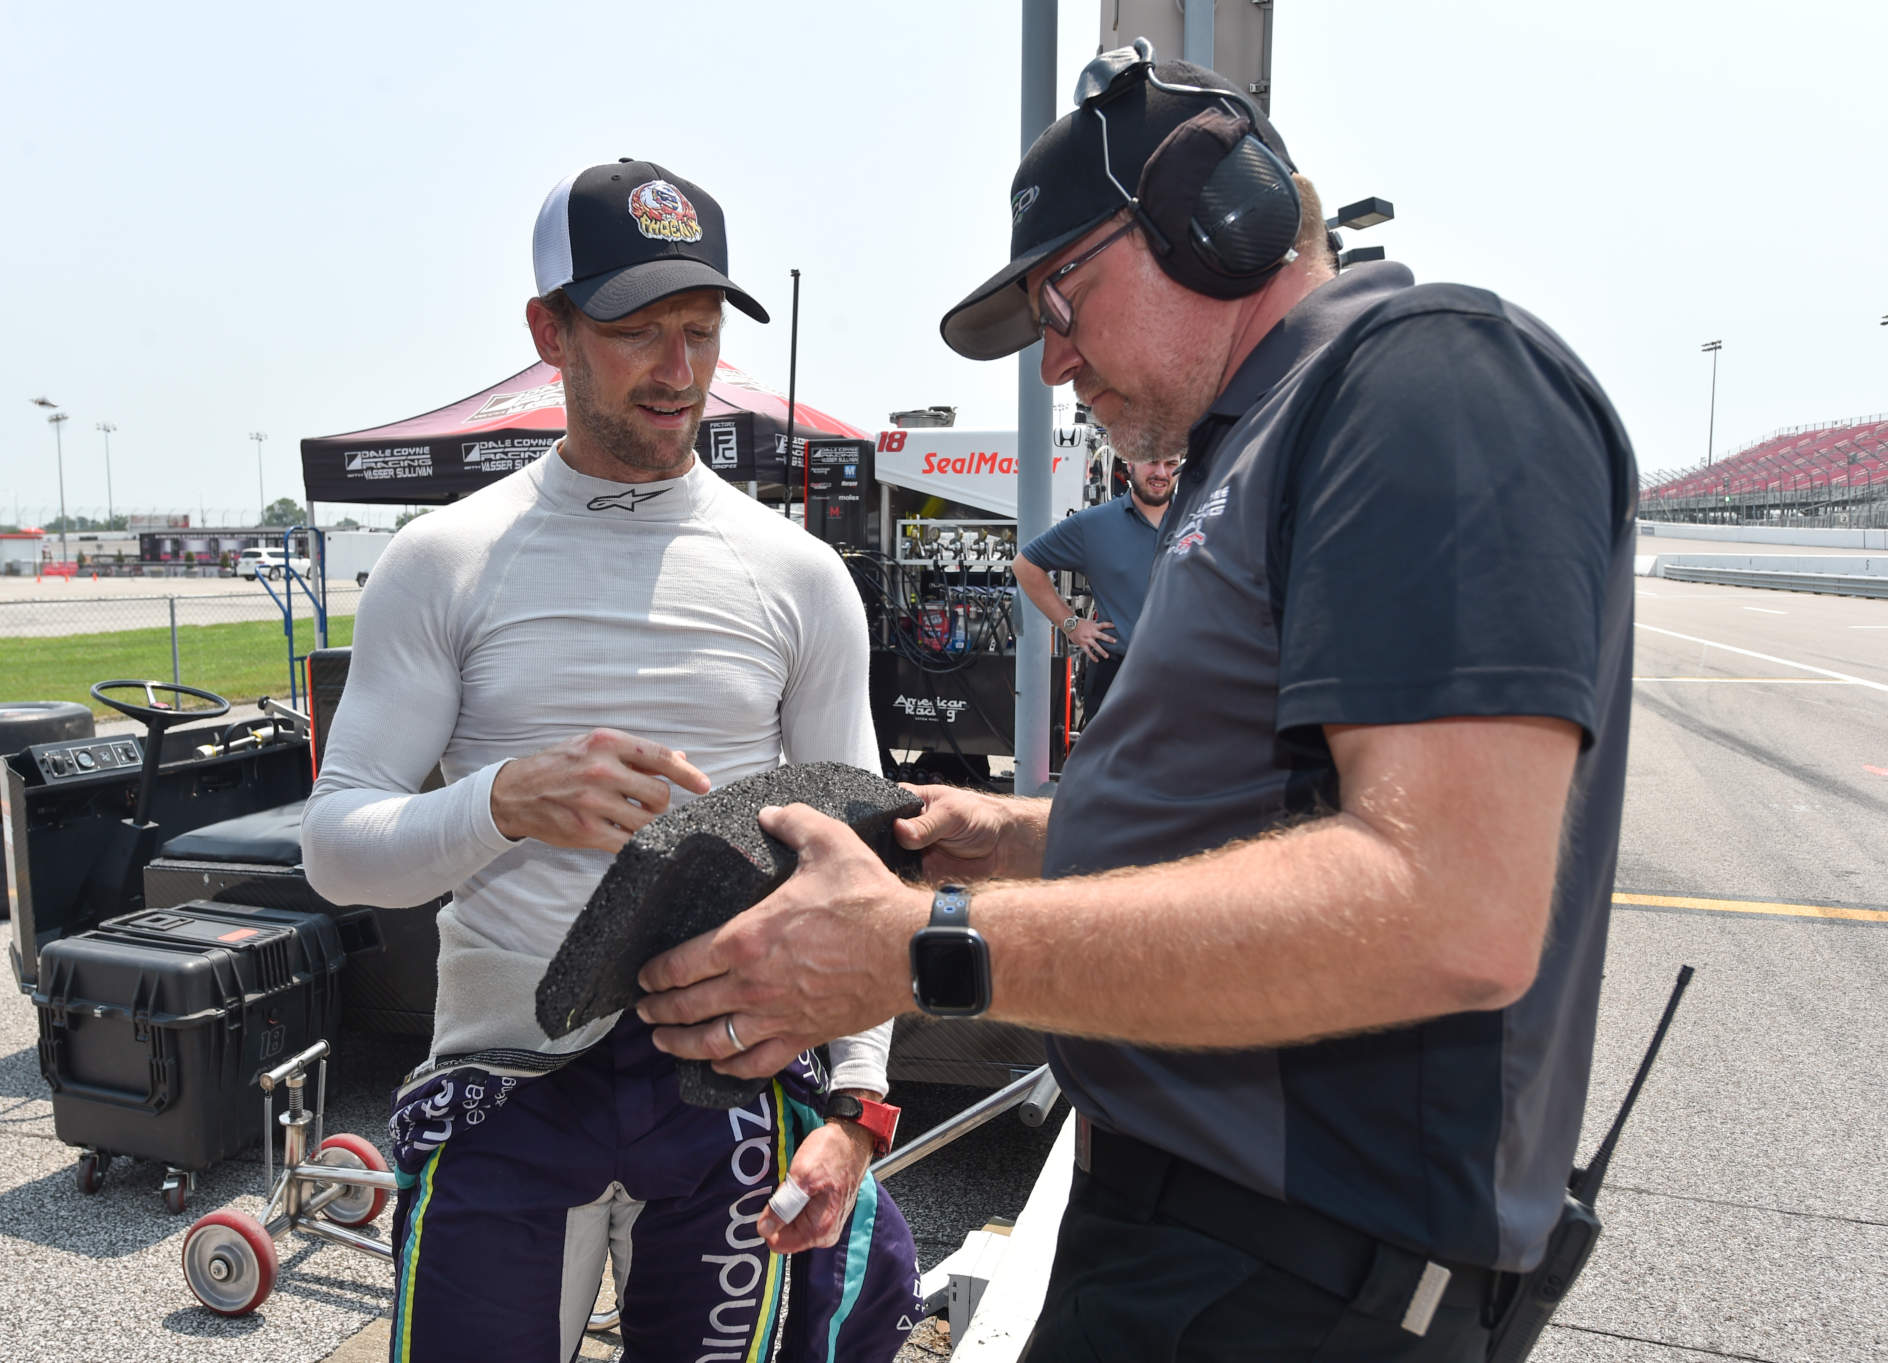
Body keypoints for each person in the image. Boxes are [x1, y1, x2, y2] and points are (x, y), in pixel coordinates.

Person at [635, 42, 1636, 1362]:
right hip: (1200, 1256)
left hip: (1294, 1285)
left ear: (1218, 218)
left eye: (1065, 302)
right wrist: (1025, 839)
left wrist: (934, 942)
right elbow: (1277, 808)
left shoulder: (1426, 377)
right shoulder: (1260, 445)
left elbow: (1449, 903)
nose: (1055, 364)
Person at [303, 158, 919, 1363]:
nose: (678, 370)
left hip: (727, 1094)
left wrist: (854, 1111)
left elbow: (868, 862)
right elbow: (333, 852)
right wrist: (503, 801)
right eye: (638, 332)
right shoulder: (445, 559)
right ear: (551, 332)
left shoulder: (795, 572)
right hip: (509, 1085)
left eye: (697, 331)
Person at [1010, 448, 1179, 727]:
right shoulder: (1094, 524)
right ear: (1130, 463)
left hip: (1188, 677)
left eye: (1171, 463)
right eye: (1152, 462)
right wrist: (1072, 625)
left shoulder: (1199, 517)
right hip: (1118, 678)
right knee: (1117, 770)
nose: (1161, 473)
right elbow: (1025, 565)